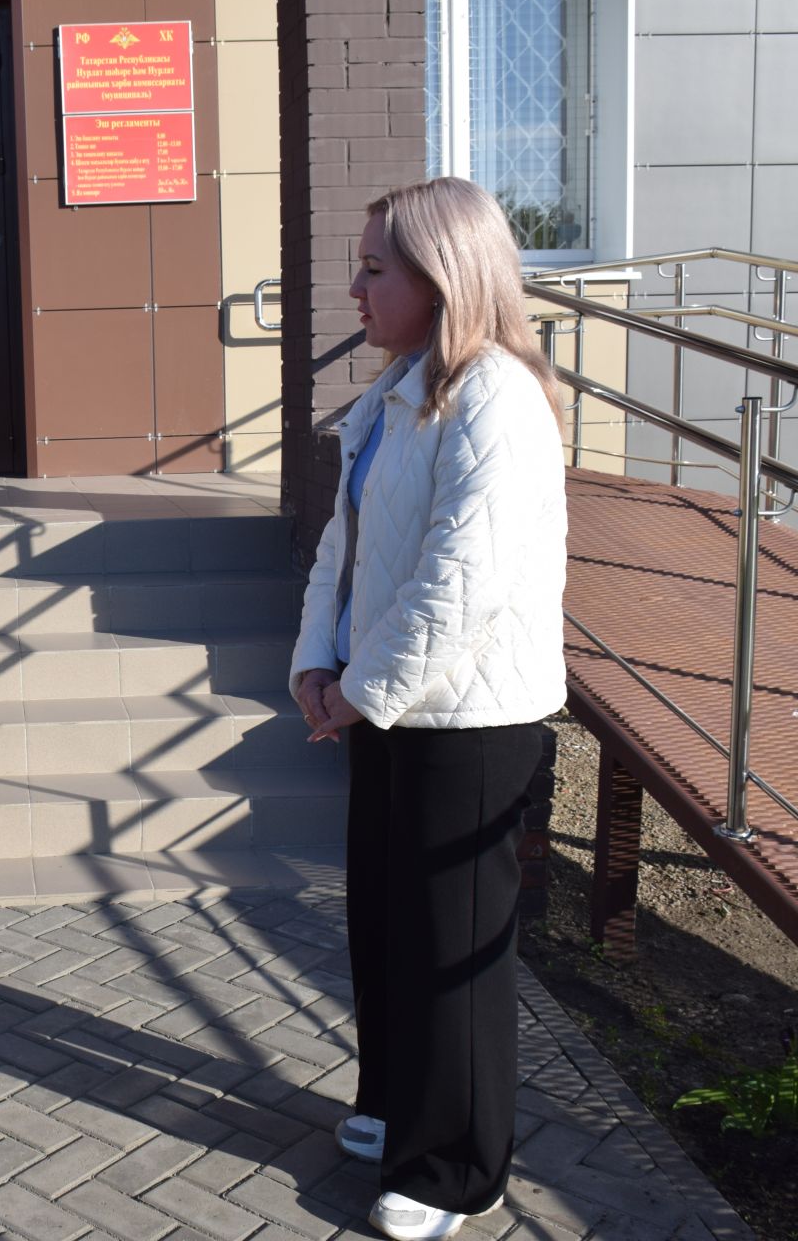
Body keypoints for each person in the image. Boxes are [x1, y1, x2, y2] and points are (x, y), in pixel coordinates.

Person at [289, 177, 566, 1241]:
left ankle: (459, 1166)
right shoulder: (397, 390)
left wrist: (358, 690)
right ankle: (397, 1103)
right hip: (390, 707)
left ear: (443, 276)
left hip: (472, 722)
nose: (355, 287)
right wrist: (320, 661)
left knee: (455, 945)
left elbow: (463, 581)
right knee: (388, 924)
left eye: (374, 268)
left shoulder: (497, 398)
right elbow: (343, 549)